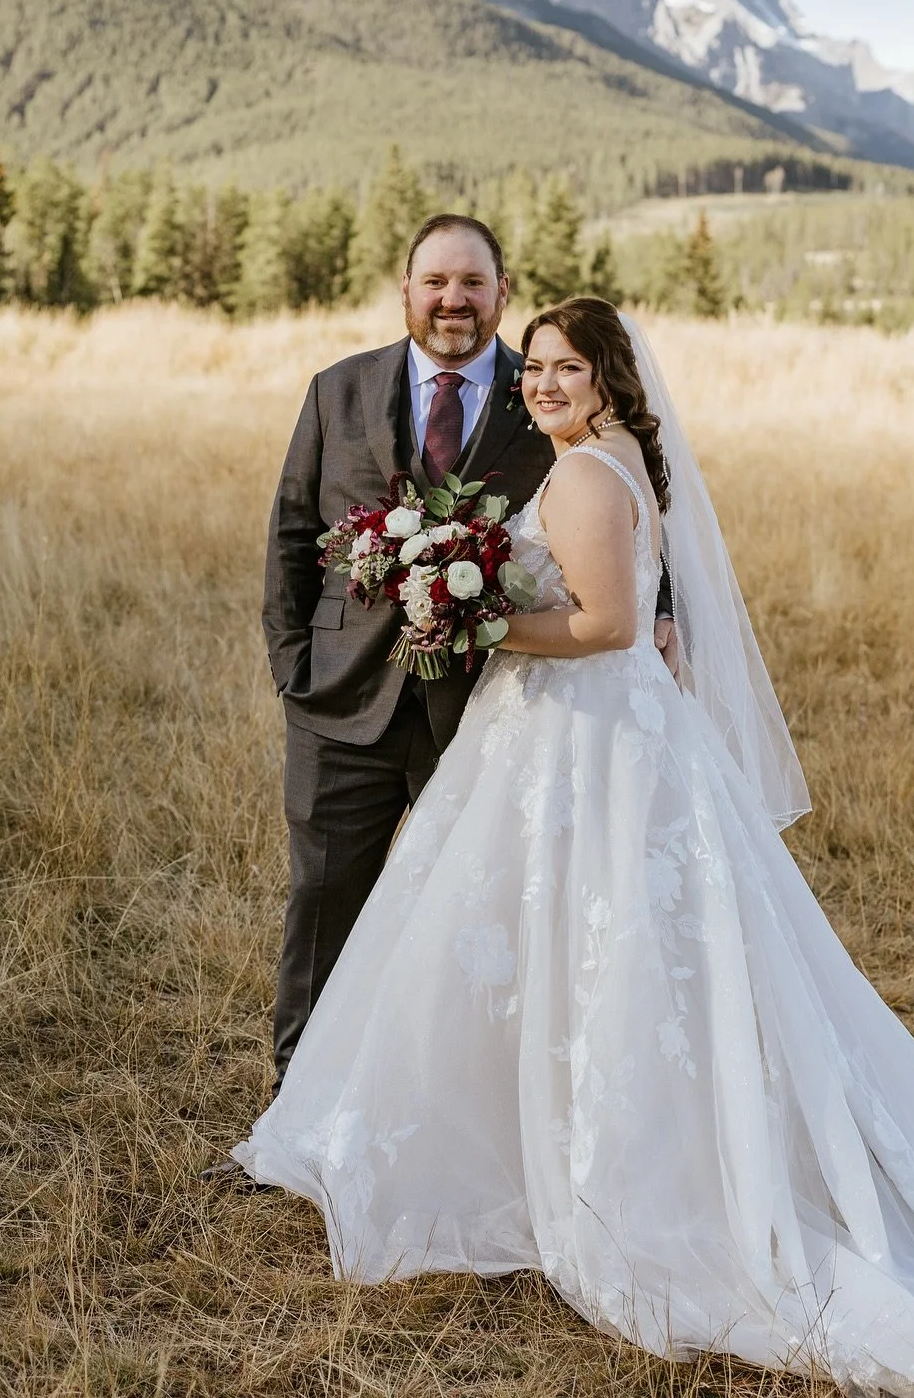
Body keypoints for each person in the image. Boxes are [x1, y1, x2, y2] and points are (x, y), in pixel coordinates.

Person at [236, 296, 914, 1397]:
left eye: (565, 370)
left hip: (586, 739)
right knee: (566, 945)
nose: (543, 385)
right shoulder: (601, 462)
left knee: (580, 942)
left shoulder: (590, 477)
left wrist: (476, 621)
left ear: (608, 381)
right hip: (581, 734)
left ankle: (609, 1171)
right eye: (536, 370)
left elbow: (601, 624)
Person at [260, 215, 675, 1090]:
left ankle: (451, 1102)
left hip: (491, 708)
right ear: (406, 288)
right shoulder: (338, 390)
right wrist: (295, 670)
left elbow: (617, 526)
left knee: (477, 917)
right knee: (324, 906)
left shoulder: (551, 405)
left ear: (503, 293)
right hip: (341, 701)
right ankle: (301, 1097)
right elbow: (295, 535)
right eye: (436, 283)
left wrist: (661, 611)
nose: (454, 300)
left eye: (473, 284)